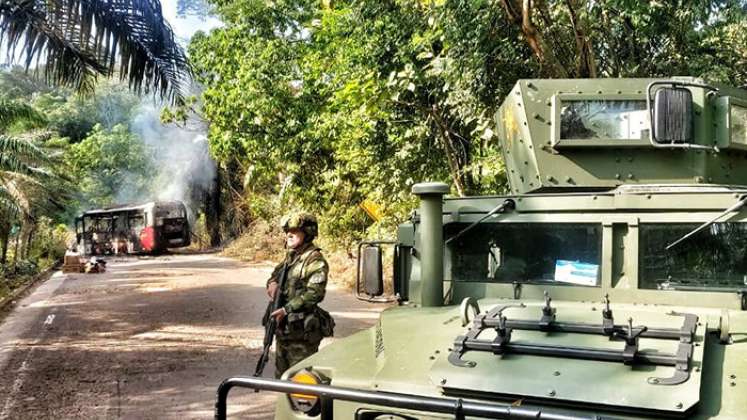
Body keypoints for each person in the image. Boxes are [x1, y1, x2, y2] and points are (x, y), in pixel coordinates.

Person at [265, 212, 334, 378]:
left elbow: (314, 294)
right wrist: (271, 284)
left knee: (301, 382)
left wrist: (287, 309)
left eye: (295, 231)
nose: (289, 235)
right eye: (288, 231)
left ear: (308, 233)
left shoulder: (315, 260)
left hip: (302, 334)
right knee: (282, 379)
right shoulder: (291, 258)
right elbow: (274, 275)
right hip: (285, 331)